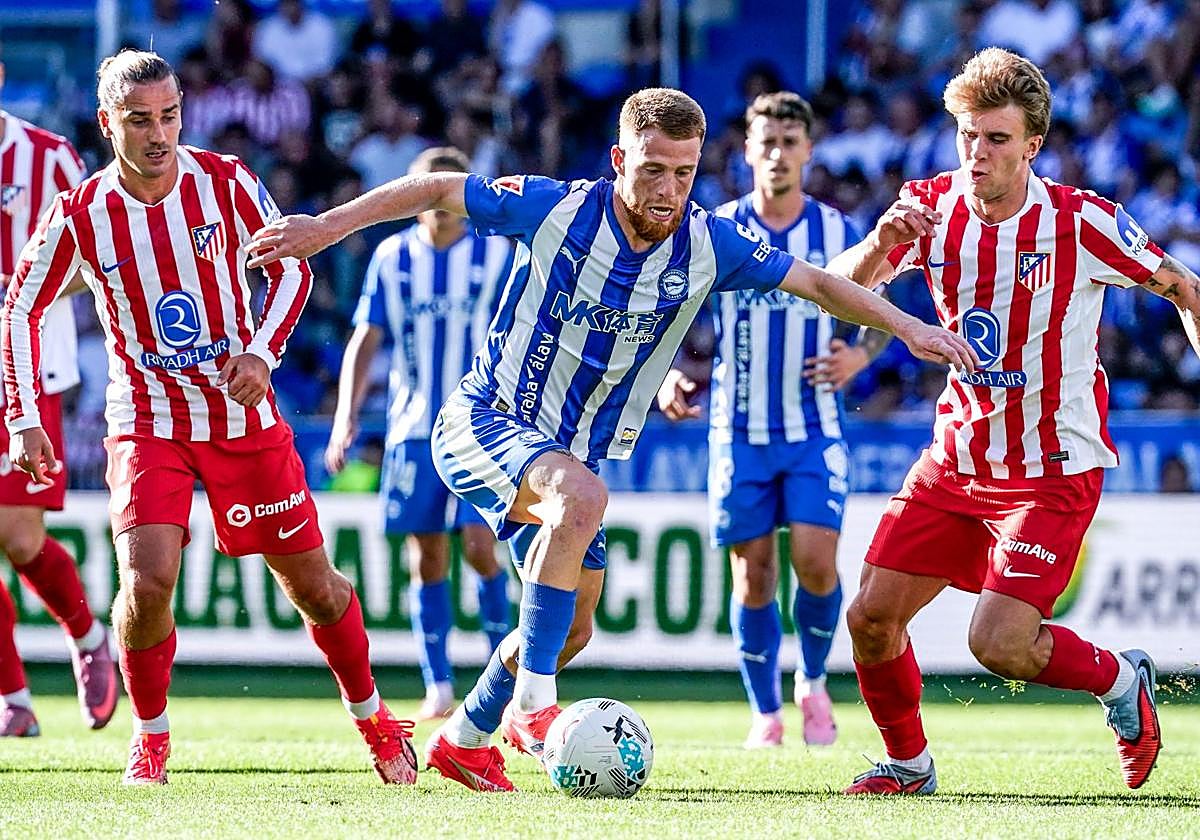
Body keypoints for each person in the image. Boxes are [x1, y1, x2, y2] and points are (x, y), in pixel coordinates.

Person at [247, 86, 977, 793]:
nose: (669, 188)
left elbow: (817, 284)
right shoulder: (557, 207)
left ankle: (464, 741)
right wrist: (327, 227)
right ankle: (535, 710)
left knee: (570, 627)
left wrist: (909, 327)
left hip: (574, 455)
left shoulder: (709, 244)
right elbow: (438, 188)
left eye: (685, 172)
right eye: (653, 168)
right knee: (579, 501)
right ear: (618, 160)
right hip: (485, 419)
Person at [0, 50, 417, 786]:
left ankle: (377, 720)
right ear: (107, 123)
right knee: (148, 577)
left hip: (238, 415)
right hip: (147, 419)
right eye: (139, 121)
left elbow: (291, 263)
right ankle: (151, 737)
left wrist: (261, 351)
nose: (159, 134)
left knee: (314, 587)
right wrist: (24, 414)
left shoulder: (224, 181)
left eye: (169, 116)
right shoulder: (82, 212)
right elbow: (21, 305)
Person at [826, 48, 1200, 794]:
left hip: (1051, 468)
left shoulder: (1082, 221)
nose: (977, 152)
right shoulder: (927, 209)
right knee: (869, 617)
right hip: (956, 459)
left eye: (996, 138)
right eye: (967, 134)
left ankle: (1121, 683)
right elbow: (835, 288)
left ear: (1033, 145)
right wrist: (883, 243)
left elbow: (1185, 288)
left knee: (998, 642)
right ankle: (907, 766)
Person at [658, 91, 890, 749]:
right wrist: (668, 372)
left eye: (790, 142)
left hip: (814, 427)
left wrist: (858, 355)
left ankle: (812, 683)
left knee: (816, 563)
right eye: (767, 143)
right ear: (748, 152)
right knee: (753, 573)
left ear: (809, 152)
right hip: (738, 429)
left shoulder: (841, 233)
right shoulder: (715, 226)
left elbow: (881, 308)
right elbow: (670, 308)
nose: (778, 154)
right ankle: (765, 713)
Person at [326, 146, 513, 722]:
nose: (437, 205)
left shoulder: (498, 253)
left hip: (484, 427)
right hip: (412, 429)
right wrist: (345, 414)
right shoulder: (391, 257)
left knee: (482, 549)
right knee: (426, 557)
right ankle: (438, 684)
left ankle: (501, 685)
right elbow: (366, 337)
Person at [0, 61, 118, 737]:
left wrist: (24, 292)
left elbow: (99, 254)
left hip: (26, 364)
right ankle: (14, 699)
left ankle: (87, 633)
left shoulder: (48, 158)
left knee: (17, 537)